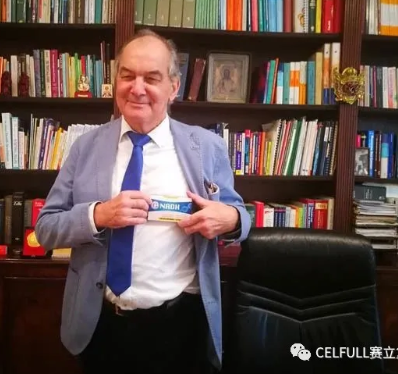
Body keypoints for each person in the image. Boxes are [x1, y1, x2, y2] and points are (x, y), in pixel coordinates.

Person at [35, 29, 251, 374]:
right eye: (128, 76)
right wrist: (98, 215)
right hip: (100, 324)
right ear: (116, 81)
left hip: (180, 327)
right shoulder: (85, 146)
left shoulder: (207, 147)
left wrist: (230, 219)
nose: (137, 88)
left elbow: (239, 214)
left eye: (151, 78)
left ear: (173, 87)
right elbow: (46, 229)